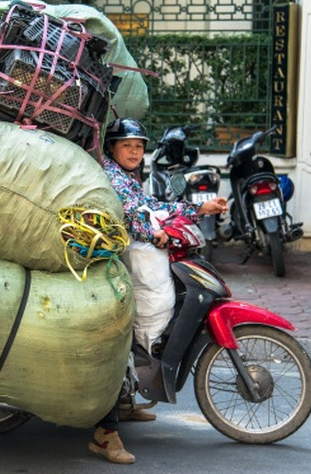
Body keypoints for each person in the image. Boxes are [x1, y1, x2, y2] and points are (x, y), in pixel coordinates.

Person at [88, 117, 228, 464]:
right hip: (108, 266)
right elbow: (134, 215)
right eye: (127, 145)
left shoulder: (129, 176)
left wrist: (199, 209)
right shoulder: (112, 176)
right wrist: (154, 234)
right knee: (119, 337)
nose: (135, 151)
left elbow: (152, 206)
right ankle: (105, 433)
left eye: (139, 146)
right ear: (112, 148)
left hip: (123, 258)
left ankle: (125, 402)